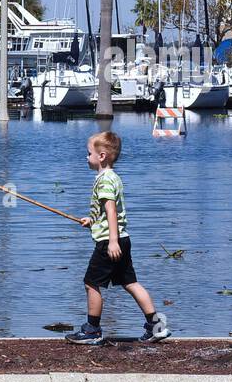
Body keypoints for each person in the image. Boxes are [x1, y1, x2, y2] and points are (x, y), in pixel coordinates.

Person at [66, 131, 169, 345]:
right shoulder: (113, 177)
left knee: (91, 283)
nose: (86, 157)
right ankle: (156, 326)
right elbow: (108, 213)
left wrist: (111, 240)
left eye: (88, 154)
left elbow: (111, 210)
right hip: (123, 239)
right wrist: (93, 221)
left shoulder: (104, 181)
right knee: (130, 282)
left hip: (110, 243)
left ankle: (92, 330)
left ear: (101, 156)